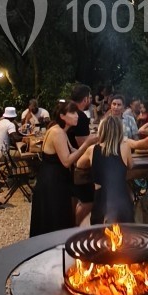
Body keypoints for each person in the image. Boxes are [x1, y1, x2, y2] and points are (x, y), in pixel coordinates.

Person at [29, 102, 96, 237]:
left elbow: (73, 151)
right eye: (73, 113)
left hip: (54, 180)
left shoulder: (61, 131)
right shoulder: (57, 132)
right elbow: (66, 161)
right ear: (62, 116)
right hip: (52, 183)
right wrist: (87, 144)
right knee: (55, 220)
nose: (77, 116)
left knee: (57, 219)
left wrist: (92, 150)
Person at [77, 115, 134, 225]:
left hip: (101, 198)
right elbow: (130, 165)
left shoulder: (92, 149)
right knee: (125, 235)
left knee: (99, 236)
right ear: (119, 130)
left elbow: (80, 164)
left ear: (101, 130)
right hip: (121, 197)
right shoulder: (125, 147)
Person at [67, 84, 95, 226]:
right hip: (76, 163)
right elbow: (83, 144)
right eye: (89, 97)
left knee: (74, 196)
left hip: (66, 161)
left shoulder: (67, 110)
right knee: (89, 199)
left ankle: (70, 224)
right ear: (85, 99)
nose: (90, 100)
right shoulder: (81, 116)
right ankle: (75, 227)